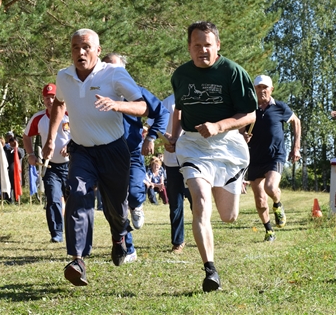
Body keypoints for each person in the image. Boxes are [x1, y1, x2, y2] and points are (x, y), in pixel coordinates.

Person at [42, 29, 147, 286]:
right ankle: (77, 260)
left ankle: (119, 237)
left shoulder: (114, 74)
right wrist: (50, 139)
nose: (80, 52)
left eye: (86, 46)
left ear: (98, 51)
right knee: (77, 195)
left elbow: (143, 105)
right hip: (82, 150)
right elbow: (59, 103)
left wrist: (118, 105)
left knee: (115, 206)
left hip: (114, 150)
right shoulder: (64, 76)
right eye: (75, 47)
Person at [166, 21, 257, 292]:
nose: (202, 50)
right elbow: (179, 109)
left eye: (208, 44)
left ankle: (235, 184)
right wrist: (173, 135)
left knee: (229, 216)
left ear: (217, 45)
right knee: (201, 201)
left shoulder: (233, 72)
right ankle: (210, 270)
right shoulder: (180, 75)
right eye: (197, 45)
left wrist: (219, 126)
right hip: (193, 145)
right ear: (189, 47)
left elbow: (250, 115)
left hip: (227, 144)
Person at [101, 52, 169, 263]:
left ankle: (137, 204)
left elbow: (162, 112)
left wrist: (151, 137)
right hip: (106, 153)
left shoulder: (136, 92)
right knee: (114, 206)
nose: (111, 73)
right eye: (106, 68)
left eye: (116, 68)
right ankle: (127, 249)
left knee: (134, 191)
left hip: (132, 154)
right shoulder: (96, 92)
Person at [244, 75, 301, 242]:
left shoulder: (280, 108)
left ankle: (277, 203)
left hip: (275, 156)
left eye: (265, 87)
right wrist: (243, 137)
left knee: (270, 187)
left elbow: (296, 122)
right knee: (260, 199)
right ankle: (269, 230)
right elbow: (240, 130)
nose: (262, 91)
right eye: (258, 88)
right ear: (254, 90)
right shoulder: (249, 110)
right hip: (254, 157)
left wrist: (296, 148)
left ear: (271, 89)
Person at [24, 83, 70, 243]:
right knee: (53, 198)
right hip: (50, 166)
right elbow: (26, 136)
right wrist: (30, 154)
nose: (50, 100)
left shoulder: (71, 115)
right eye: (47, 98)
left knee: (74, 200)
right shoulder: (38, 118)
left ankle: (74, 230)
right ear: (43, 99)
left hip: (73, 165)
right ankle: (57, 233)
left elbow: (84, 133)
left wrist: (71, 146)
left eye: (53, 97)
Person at [159, 94, 192, 254]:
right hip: (172, 161)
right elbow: (157, 126)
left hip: (193, 159)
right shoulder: (167, 102)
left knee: (198, 201)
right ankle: (178, 241)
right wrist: (166, 140)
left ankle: (204, 234)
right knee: (175, 204)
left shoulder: (197, 99)